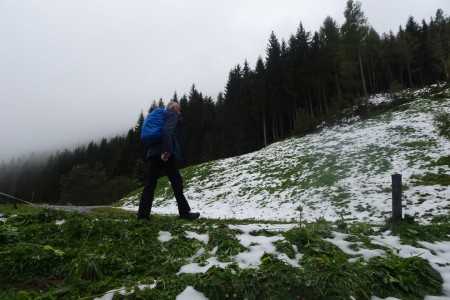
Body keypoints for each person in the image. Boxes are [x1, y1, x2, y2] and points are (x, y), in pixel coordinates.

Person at [137, 101, 200, 221]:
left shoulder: (162, 117)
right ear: (173, 108)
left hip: (153, 153)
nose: (179, 111)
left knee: (150, 184)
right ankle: (185, 213)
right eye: (179, 109)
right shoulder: (172, 115)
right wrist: (166, 150)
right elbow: (167, 130)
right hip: (166, 154)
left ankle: (143, 215)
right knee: (177, 182)